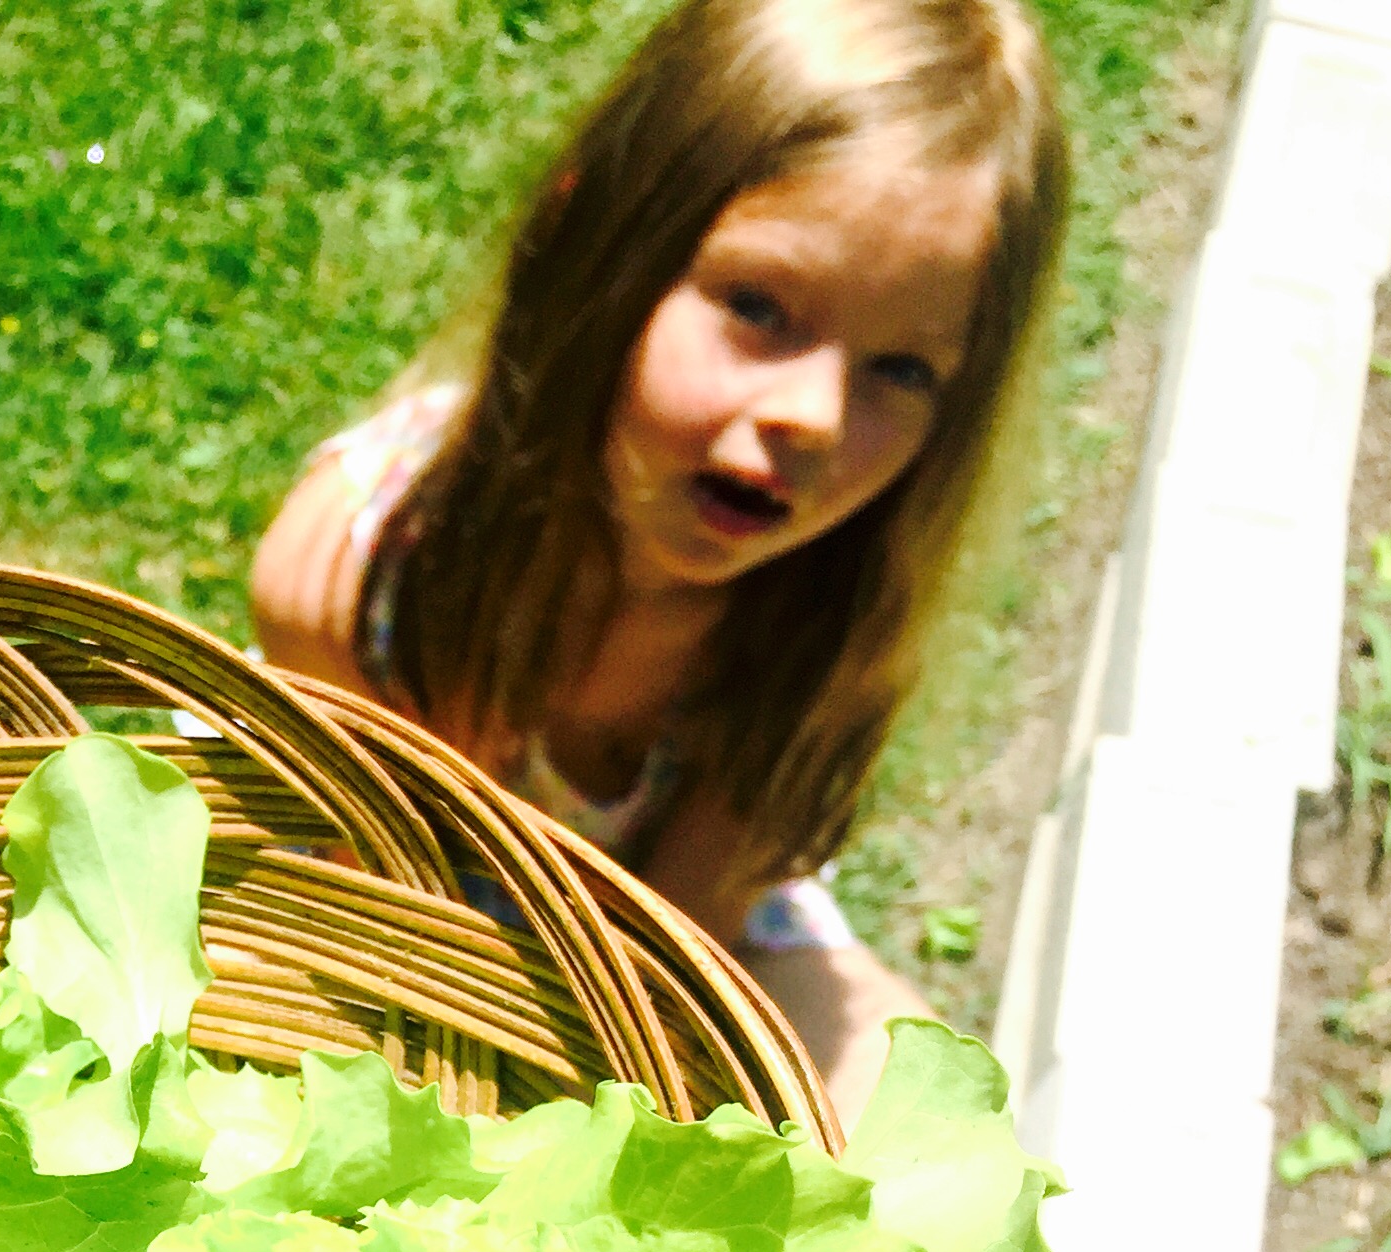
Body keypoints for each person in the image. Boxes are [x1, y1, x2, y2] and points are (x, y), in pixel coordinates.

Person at [250, 0, 1068, 1126]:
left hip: (649, 934)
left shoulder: (828, 619)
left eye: (902, 372)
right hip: (376, 885)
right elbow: (371, 910)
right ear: (600, 249)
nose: (815, 416)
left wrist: (624, 1105)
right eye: (760, 309)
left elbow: (679, 940)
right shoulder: (359, 571)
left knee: (900, 1109)